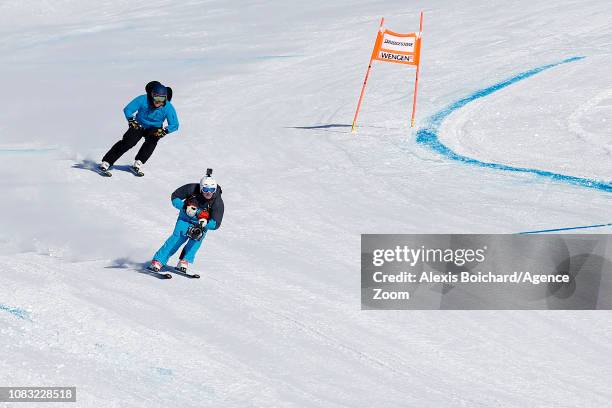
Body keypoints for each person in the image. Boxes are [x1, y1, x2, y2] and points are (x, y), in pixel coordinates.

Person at [149, 171, 224, 273]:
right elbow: (175, 197)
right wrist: (185, 207)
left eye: (212, 190)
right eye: (206, 189)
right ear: (201, 188)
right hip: (185, 219)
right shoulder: (192, 188)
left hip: (201, 224)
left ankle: (184, 261)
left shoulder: (217, 201)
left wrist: (206, 223)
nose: (208, 192)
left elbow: (216, 223)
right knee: (177, 238)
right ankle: (158, 261)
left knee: (196, 240)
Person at [99, 81, 179, 176]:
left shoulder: (168, 107)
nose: (159, 101)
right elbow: (128, 109)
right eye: (157, 98)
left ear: (166, 98)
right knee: (128, 142)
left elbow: (175, 124)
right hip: (139, 124)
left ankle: (138, 163)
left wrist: (165, 131)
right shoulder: (143, 99)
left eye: (162, 98)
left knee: (152, 141)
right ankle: (107, 162)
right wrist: (131, 120)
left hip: (155, 127)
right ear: (151, 95)